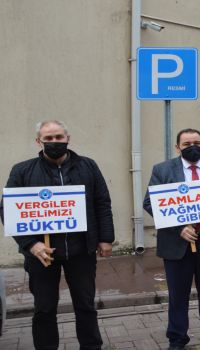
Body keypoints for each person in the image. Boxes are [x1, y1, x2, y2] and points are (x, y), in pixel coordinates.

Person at [0, 120, 114, 350]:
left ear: (68, 138)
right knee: (44, 308)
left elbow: (101, 202)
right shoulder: (22, 170)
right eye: (48, 139)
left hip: (81, 249)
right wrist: (31, 245)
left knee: (85, 305)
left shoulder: (88, 166)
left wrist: (105, 238)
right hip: (42, 254)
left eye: (58, 137)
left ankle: (91, 347)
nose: (54, 142)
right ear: (38, 141)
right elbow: (8, 211)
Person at [143, 128, 200, 350]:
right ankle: (177, 339)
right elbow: (150, 202)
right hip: (178, 241)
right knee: (178, 294)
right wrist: (179, 227)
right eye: (186, 144)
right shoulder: (163, 169)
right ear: (178, 147)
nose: (192, 146)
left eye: (197, 142)